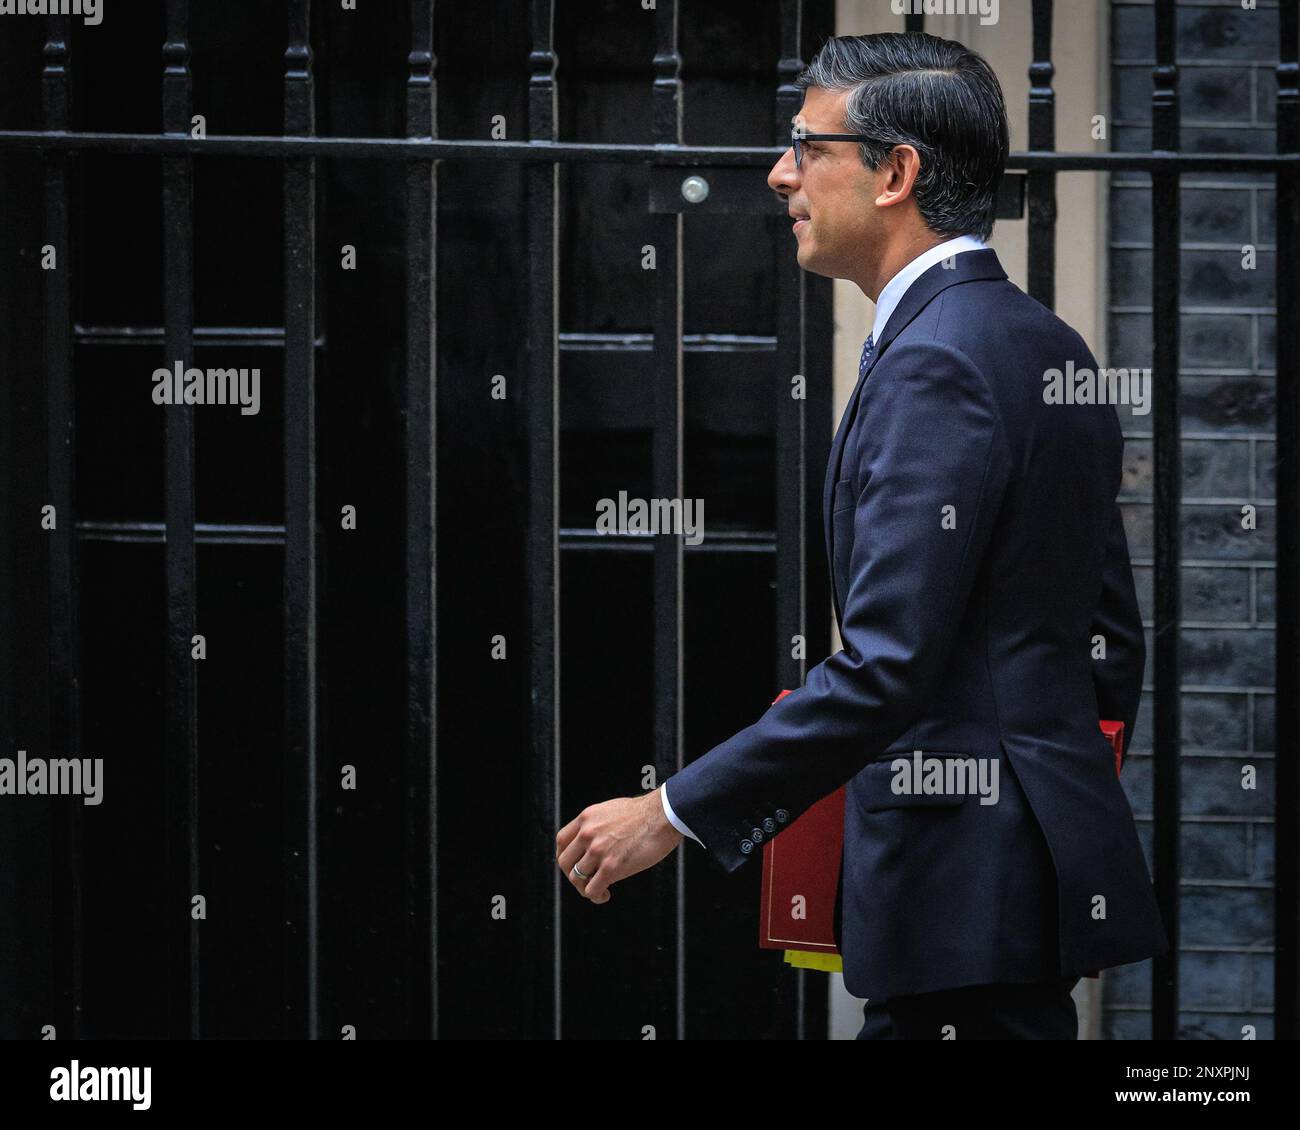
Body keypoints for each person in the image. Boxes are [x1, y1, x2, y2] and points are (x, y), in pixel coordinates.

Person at [555, 31, 1168, 1040]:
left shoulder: (936, 364)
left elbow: (887, 666)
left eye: (807, 145)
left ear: (897, 172)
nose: (778, 172)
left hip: (955, 908)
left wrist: (667, 810)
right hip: (1010, 902)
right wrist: (1046, 811)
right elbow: (1111, 639)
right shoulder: (1043, 344)